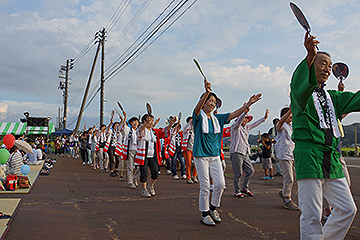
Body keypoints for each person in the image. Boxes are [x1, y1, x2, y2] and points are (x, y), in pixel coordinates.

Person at [290, 32, 357, 239]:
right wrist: (310, 54)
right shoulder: (300, 94)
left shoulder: (332, 97)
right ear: (310, 66)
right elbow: (299, 85)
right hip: (309, 156)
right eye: (322, 64)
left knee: (347, 209)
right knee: (311, 216)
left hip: (332, 159)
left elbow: (356, 99)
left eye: (330, 65)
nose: (327, 68)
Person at [193, 78, 261, 226]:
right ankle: (204, 214)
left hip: (215, 156)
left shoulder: (218, 118)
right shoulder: (198, 117)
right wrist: (207, 92)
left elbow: (235, 114)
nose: (212, 103)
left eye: (214, 101)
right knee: (205, 186)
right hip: (201, 156)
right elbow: (197, 109)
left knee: (220, 184)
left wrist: (248, 104)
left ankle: (212, 208)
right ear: (203, 101)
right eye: (209, 100)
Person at [229, 108, 269, 198]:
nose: (246, 120)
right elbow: (238, 121)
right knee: (238, 173)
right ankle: (237, 191)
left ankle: (244, 188)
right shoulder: (235, 126)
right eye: (245, 118)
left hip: (245, 152)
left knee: (250, 171)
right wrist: (244, 113)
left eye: (247, 119)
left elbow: (255, 124)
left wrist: (264, 118)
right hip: (236, 152)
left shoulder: (246, 127)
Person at [275, 107, 299, 211]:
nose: (290, 117)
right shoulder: (281, 125)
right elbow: (280, 123)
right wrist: (290, 109)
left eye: (292, 116)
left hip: (293, 155)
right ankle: (287, 200)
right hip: (284, 155)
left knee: (295, 178)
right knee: (289, 178)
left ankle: (284, 192)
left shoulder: (293, 126)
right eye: (289, 115)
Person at [122, 115, 141, 188]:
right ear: (130, 123)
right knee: (130, 167)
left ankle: (135, 177)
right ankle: (130, 182)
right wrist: (125, 117)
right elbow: (123, 127)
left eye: (137, 122)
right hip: (130, 150)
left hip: (138, 150)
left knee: (139, 167)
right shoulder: (128, 130)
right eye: (134, 122)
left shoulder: (139, 130)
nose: (135, 123)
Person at [182, 116, 198, 184]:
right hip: (187, 149)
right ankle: (188, 177)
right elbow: (187, 127)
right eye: (190, 121)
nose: (192, 123)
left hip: (195, 149)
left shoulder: (196, 130)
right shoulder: (186, 130)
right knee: (188, 163)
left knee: (197, 163)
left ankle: (194, 176)